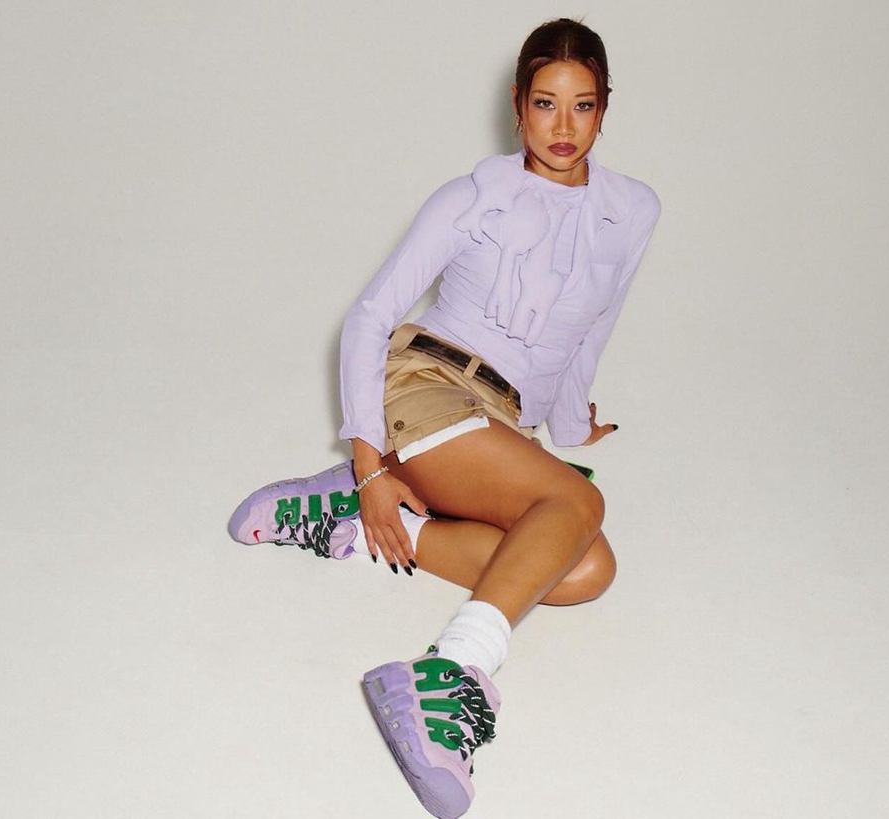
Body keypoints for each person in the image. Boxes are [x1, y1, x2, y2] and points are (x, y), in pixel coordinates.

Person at [229, 17, 660, 819]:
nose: (563, 126)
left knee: (587, 570)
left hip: (495, 419)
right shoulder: (472, 199)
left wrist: (570, 425)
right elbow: (368, 316)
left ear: (605, 109)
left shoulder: (631, 210)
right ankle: (451, 673)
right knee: (578, 502)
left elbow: (594, 326)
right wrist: (370, 465)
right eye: (545, 103)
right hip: (423, 385)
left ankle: (363, 523)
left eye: (582, 105)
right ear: (517, 105)